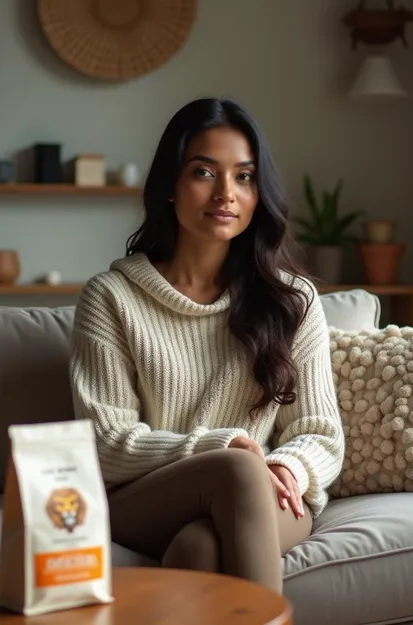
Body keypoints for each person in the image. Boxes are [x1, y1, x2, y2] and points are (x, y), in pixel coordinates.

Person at [70, 97, 344, 594]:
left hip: (263, 492)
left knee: (199, 546)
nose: (226, 193)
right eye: (203, 172)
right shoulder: (112, 297)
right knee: (237, 469)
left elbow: (321, 433)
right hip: (147, 498)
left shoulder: (292, 300)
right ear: (171, 186)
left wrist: (285, 465)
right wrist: (224, 446)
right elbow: (106, 443)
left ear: (260, 193)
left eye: (244, 176)